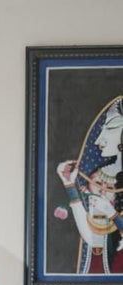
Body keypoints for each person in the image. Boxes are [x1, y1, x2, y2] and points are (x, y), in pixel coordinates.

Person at [57, 96, 123, 275]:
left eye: (109, 128)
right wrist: (70, 185)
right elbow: (93, 238)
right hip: (99, 269)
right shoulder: (100, 176)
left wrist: (112, 214)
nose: (98, 140)